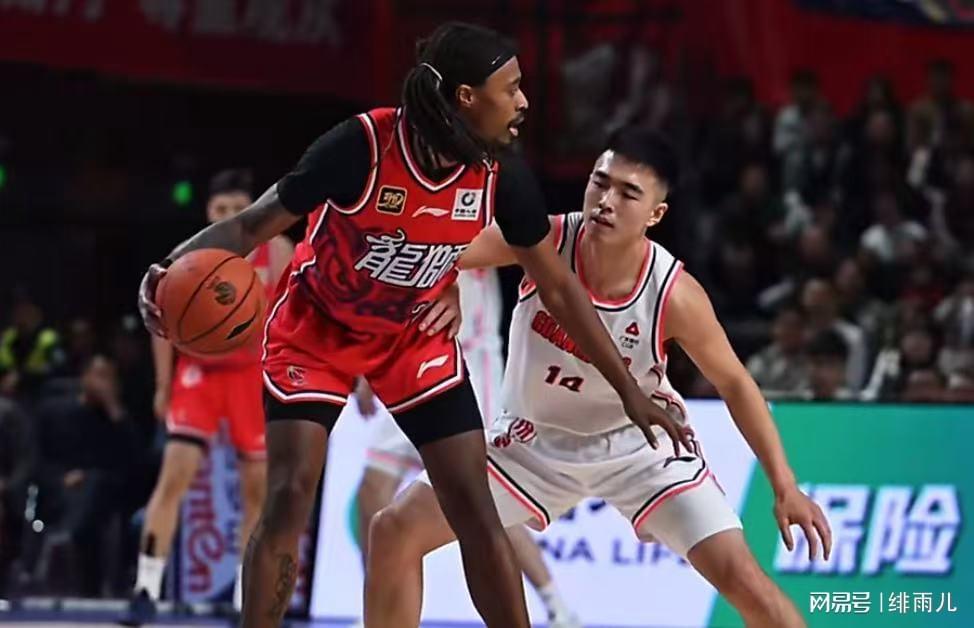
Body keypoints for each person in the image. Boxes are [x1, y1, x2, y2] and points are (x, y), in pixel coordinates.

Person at [136, 22, 689, 628]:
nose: (524, 101)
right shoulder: (362, 146)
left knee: (475, 507)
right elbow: (251, 225)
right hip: (316, 330)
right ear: (466, 98)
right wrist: (168, 271)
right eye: (511, 88)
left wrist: (628, 388)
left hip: (410, 336)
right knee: (290, 495)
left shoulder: (501, 175)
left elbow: (558, 287)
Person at [364, 128, 832, 628]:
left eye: (628, 193)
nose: (606, 201)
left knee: (746, 583)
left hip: (640, 448)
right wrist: (449, 285)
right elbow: (441, 250)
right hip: (530, 443)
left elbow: (735, 383)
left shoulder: (674, 294)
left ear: (655, 215)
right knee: (394, 529)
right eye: (600, 183)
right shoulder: (543, 240)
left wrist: (785, 485)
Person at [355, 270, 579, 628]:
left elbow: (511, 251)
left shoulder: (475, 236)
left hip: (470, 364)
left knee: (485, 504)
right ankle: (380, 600)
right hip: (411, 361)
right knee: (372, 487)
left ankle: (557, 607)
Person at [122, 170, 294, 625]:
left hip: (250, 374)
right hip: (199, 373)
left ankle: (244, 595)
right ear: (208, 212)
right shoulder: (191, 255)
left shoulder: (278, 251)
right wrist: (163, 385)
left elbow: (292, 315)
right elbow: (159, 321)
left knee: (256, 489)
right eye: (221, 209)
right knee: (174, 474)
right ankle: (146, 587)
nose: (230, 215)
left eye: (238, 208)